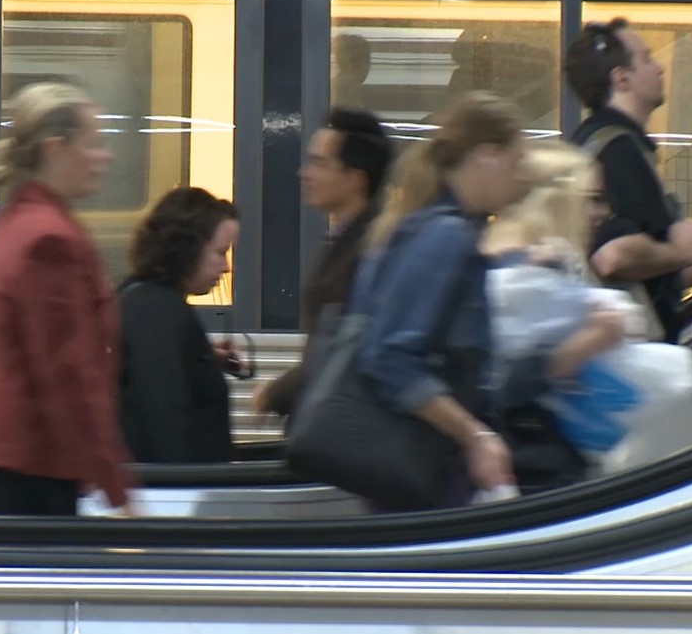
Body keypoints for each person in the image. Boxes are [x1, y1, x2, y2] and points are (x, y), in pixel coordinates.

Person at [0, 82, 135, 516]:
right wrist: (114, 482)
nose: (105, 157)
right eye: (94, 143)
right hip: (23, 468)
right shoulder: (48, 238)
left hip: (3, 462)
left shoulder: (17, 222)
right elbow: (66, 368)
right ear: (55, 148)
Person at [352, 91, 527, 505]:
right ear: (486, 155)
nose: (519, 177)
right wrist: (475, 435)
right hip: (430, 468)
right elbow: (391, 358)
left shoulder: (422, 228)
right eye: (515, 162)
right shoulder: (445, 236)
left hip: (420, 466)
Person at [565, 18, 692, 343]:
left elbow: (640, 271)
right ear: (622, 78)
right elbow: (612, 258)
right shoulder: (618, 151)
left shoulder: (605, 141)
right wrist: (683, 251)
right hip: (629, 351)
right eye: (646, 59)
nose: (658, 69)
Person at [481, 141, 628, 491]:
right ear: (558, 198)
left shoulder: (515, 260)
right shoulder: (520, 270)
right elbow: (501, 382)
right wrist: (590, 341)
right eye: (590, 197)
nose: (600, 211)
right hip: (532, 466)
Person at [251, 107, 395, 424]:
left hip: (346, 430)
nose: (304, 173)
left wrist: (277, 392)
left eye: (320, 163)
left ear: (355, 179)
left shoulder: (370, 249)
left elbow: (342, 351)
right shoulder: (348, 240)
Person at [118, 187, 239, 464]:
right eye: (220, 252)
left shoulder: (140, 299)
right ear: (188, 248)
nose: (226, 267)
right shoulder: (159, 311)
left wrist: (201, 361)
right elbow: (165, 418)